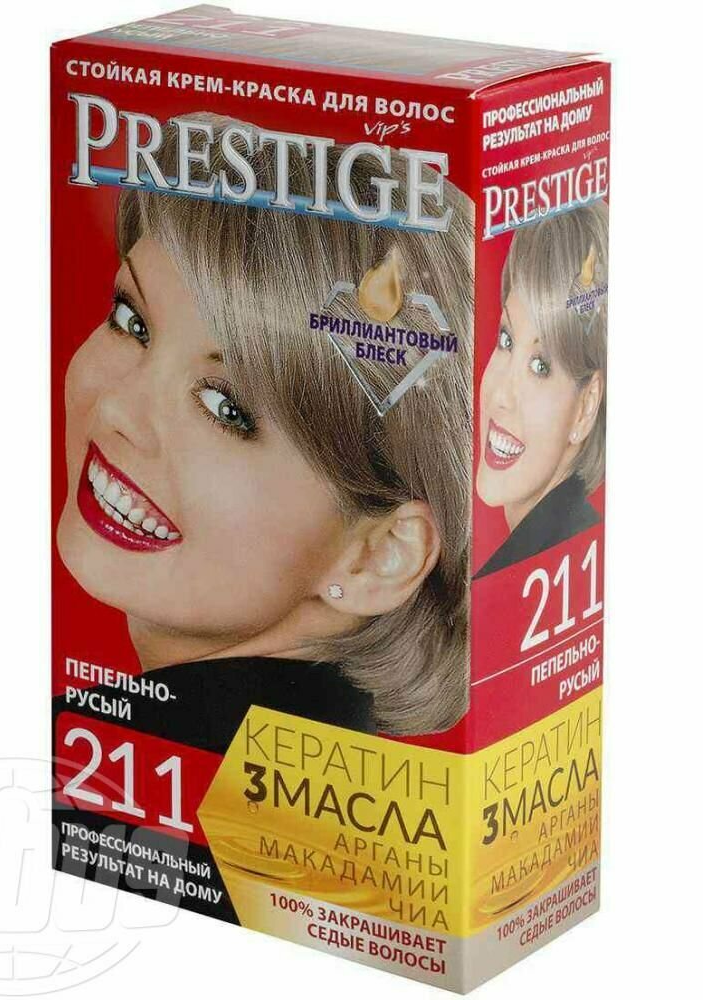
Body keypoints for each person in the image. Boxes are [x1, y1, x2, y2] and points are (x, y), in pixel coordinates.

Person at [56, 115, 474, 738]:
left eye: (226, 407)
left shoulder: (98, 764)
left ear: (380, 556)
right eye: (132, 322)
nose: (117, 408)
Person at [474, 200, 608, 579]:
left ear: (586, 407)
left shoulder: (516, 575)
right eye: (506, 340)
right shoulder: (573, 543)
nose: (501, 395)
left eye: (540, 366)